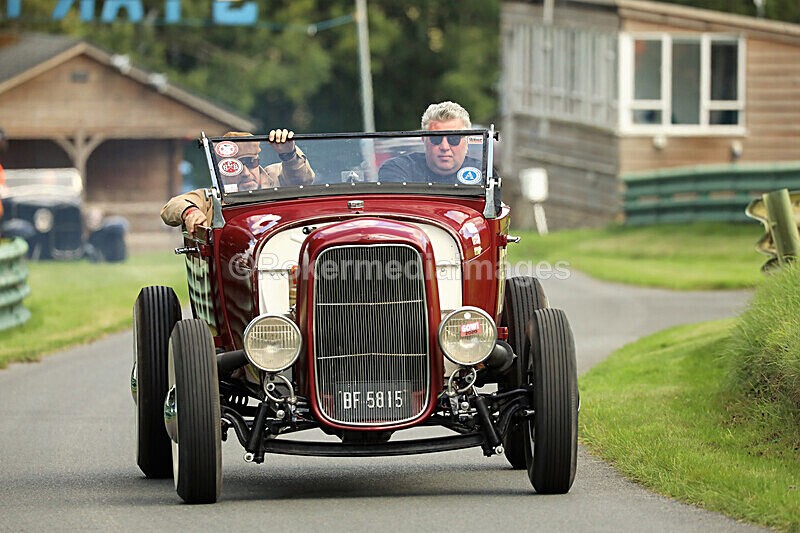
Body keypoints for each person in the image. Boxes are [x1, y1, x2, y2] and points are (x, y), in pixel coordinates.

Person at [161, 129, 314, 236]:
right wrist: (191, 212)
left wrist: (289, 153)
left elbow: (303, 179)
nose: (246, 173)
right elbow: (172, 206)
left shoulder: (276, 177)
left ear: (257, 160)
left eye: (250, 163)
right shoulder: (214, 197)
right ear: (223, 171)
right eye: (235, 167)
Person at [378, 101, 481, 184]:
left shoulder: (484, 174)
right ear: (424, 139)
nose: (444, 147)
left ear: (466, 141)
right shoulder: (397, 169)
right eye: (436, 138)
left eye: (453, 139)